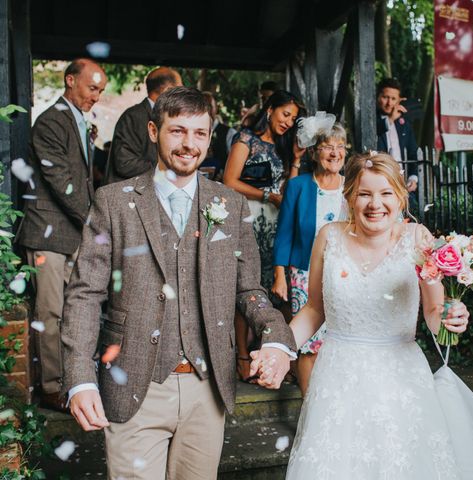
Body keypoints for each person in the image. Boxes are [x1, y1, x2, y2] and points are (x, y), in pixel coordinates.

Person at [254, 152, 473, 479]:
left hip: (401, 381)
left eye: (385, 193)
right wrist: (279, 347)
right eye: (364, 193)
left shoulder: (417, 239)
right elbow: (314, 310)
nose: (374, 204)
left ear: (400, 196)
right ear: (349, 196)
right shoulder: (329, 236)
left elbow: (435, 313)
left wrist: (452, 318)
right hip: (338, 379)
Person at [62, 87, 296, 479]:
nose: (189, 144)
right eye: (178, 131)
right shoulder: (113, 202)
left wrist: (274, 336)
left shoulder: (230, 203)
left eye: (200, 133)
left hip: (208, 389)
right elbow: (85, 295)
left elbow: (248, 289)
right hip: (135, 383)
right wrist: (80, 379)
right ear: (154, 131)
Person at [17, 58, 107, 411]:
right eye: (91, 88)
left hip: (71, 233)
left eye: (100, 90)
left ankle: (74, 381)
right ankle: (53, 386)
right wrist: (95, 222)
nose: (96, 97)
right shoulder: (51, 120)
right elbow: (62, 182)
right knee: (52, 313)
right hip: (47, 233)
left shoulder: (78, 119)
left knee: (75, 313)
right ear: (70, 81)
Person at [223, 90, 306, 381]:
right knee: (247, 285)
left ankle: (272, 354)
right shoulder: (246, 139)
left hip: (276, 222)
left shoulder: (284, 148)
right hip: (247, 218)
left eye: (294, 119)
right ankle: (242, 356)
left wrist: (295, 159)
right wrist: (267, 195)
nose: (288, 122)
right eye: (286, 114)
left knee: (276, 287)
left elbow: (290, 192)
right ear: (270, 110)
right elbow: (229, 181)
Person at [272, 115, 348, 395]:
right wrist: (280, 275)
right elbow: (284, 234)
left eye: (340, 147)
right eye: (328, 146)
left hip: (343, 273)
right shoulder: (298, 186)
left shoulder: (352, 187)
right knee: (309, 345)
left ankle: (335, 400)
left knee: (340, 341)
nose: (335, 153)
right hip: (304, 273)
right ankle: (309, 407)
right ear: (315, 152)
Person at [104, 66, 182, 184]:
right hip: (125, 196)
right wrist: (168, 169)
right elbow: (125, 163)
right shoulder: (133, 116)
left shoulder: (164, 116)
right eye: (179, 90)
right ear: (167, 90)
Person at [376, 77, 419, 193]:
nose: (389, 103)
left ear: (399, 101)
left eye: (393, 99)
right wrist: (390, 119)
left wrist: (413, 178)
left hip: (404, 183)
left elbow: (413, 152)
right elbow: (374, 134)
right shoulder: (372, 119)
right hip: (380, 182)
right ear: (378, 97)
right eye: (385, 97)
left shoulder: (404, 123)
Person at [200, 91, 237, 179]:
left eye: (209, 106)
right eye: (202, 106)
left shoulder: (229, 133)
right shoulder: (190, 133)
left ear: (216, 108)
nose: (206, 111)